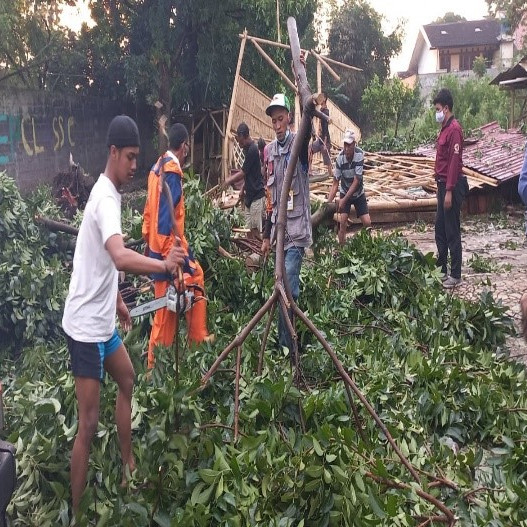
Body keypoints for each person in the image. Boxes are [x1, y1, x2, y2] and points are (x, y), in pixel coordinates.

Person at [62, 115, 186, 514]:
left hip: (102, 321)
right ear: (113, 153)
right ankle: (77, 512)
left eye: (138, 158)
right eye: (130, 157)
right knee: (88, 424)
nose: (135, 165)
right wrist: (165, 265)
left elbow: (103, 261)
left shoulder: (111, 195)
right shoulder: (103, 198)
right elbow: (118, 254)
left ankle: (127, 463)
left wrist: (116, 297)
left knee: (128, 378)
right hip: (84, 327)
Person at [142, 123, 213, 370]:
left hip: (160, 246)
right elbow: (163, 220)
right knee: (167, 310)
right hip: (167, 249)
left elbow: (149, 214)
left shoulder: (157, 168)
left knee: (181, 293)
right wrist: (170, 261)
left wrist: (147, 241)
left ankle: (193, 339)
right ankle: (158, 369)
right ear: (184, 146)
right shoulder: (171, 172)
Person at [261, 93, 312, 355]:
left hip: (296, 232)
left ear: (289, 118)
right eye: (274, 121)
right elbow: (269, 196)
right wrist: (266, 235)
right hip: (279, 233)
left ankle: (287, 345)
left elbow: (309, 125)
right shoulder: (269, 152)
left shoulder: (299, 146)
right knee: (280, 283)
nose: (277, 125)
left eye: (281, 119)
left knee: (288, 283)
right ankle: (288, 340)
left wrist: (307, 98)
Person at [433, 88, 469, 289]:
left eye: (438, 109)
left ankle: (455, 274)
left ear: (446, 108)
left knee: (451, 229)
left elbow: (454, 163)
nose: (436, 113)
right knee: (440, 228)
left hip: (451, 187)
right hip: (442, 184)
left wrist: (448, 190)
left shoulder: (454, 130)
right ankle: (442, 270)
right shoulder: (444, 129)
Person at [327, 130, 371, 245]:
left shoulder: (359, 155)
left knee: (367, 223)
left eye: (349, 145)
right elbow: (335, 183)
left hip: (358, 193)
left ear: (354, 144)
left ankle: (369, 246)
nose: (346, 148)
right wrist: (328, 203)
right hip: (345, 190)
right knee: (342, 222)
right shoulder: (340, 159)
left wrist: (343, 200)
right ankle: (342, 248)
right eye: (345, 145)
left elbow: (356, 181)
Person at [223, 123, 266, 239]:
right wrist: (243, 189)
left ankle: (257, 254)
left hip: (257, 194)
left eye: (240, 139)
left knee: (256, 230)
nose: (239, 143)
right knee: (248, 229)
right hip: (249, 195)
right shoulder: (247, 149)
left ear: (246, 135)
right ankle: (250, 252)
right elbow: (249, 174)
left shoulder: (253, 149)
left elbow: (243, 172)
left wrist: (228, 180)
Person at [308, 93, 332, 179]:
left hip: (325, 140)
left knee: (327, 159)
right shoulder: (320, 110)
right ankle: (309, 171)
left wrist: (325, 142)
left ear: (325, 99)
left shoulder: (326, 112)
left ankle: (331, 175)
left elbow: (325, 127)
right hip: (320, 139)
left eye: (322, 98)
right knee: (310, 149)